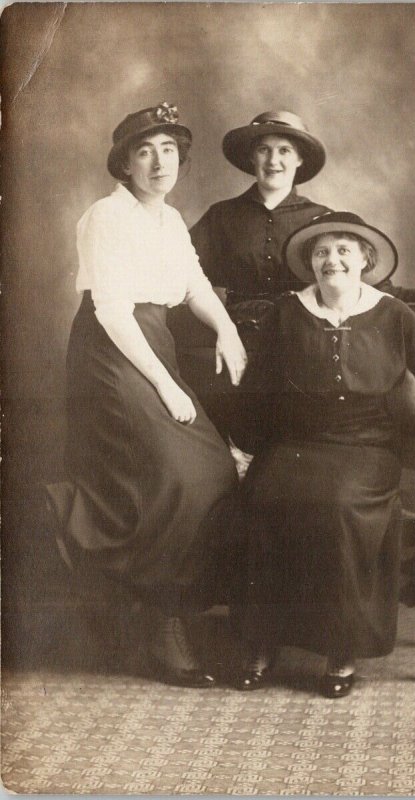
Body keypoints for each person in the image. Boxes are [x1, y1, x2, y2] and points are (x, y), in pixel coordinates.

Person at [229, 211, 415, 698]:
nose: (332, 260)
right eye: (321, 252)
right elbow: (258, 389)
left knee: (340, 504)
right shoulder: (288, 311)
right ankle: (263, 641)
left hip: (367, 448)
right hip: (297, 445)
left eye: (344, 249)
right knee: (264, 496)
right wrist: (242, 449)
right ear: (310, 265)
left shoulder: (393, 313)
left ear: (365, 259)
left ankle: (341, 649)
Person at [46, 102, 247, 688]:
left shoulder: (169, 220)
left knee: (212, 468)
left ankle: (166, 607)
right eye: (144, 151)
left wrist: (226, 329)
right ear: (125, 164)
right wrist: (164, 383)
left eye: (168, 151)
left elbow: (193, 286)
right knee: (178, 475)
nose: (159, 162)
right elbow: (112, 311)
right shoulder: (105, 217)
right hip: (112, 353)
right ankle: (161, 626)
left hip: (152, 339)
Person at [183, 110, 415, 438]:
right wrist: (222, 329)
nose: (273, 160)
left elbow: (370, 284)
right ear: (251, 156)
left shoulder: (321, 221)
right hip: (236, 330)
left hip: (300, 336)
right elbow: (181, 272)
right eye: (264, 150)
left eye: (285, 150)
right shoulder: (222, 216)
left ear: (300, 159)